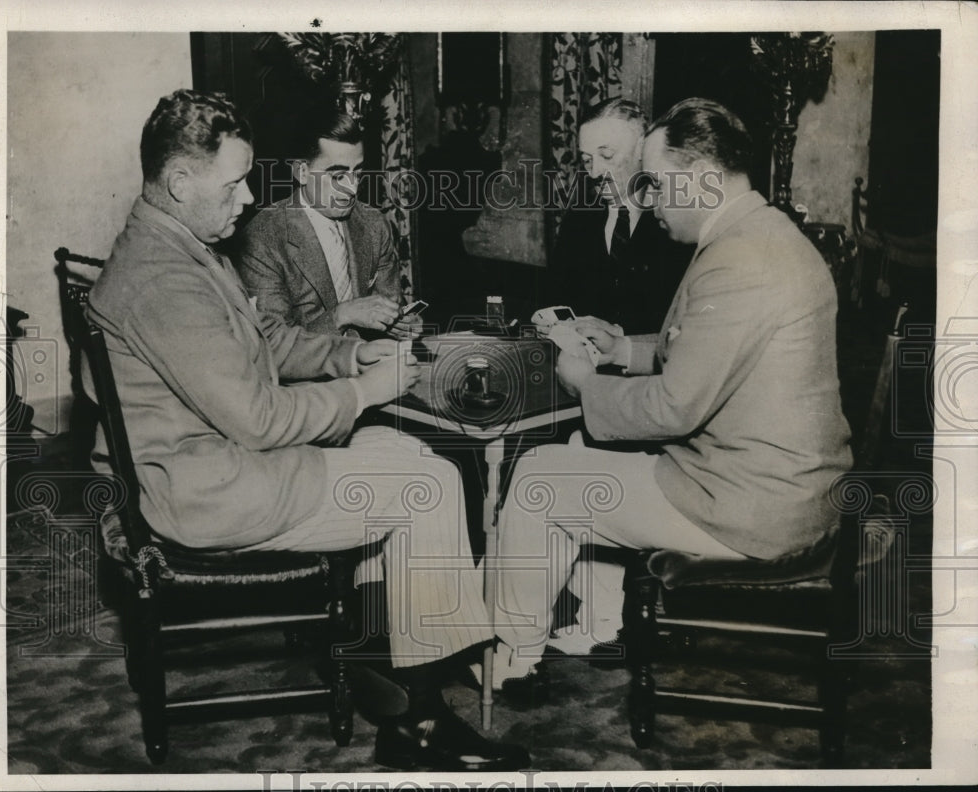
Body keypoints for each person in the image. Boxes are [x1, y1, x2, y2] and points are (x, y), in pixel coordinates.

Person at [85, 89, 527, 771]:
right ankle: (419, 723)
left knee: (404, 451)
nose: (244, 202)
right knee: (428, 487)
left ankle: (388, 671)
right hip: (211, 488)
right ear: (179, 182)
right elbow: (260, 418)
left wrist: (349, 355)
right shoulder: (163, 279)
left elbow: (260, 347)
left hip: (215, 462)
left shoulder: (175, 245)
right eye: (233, 185)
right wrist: (363, 390)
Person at [489, 98, 853, 687]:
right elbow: (703, 344)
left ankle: (512, 658)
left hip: (749, 506)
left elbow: (673, 407)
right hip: (781, 485)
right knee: (574, 462)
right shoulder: (761, 234)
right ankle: (594, 627)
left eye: (657, 183)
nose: (650, 197)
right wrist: (621, 351)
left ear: (705, 180)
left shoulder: (739, 260)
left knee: (536, 478)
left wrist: (586, 382)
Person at [235, 107, 419, 339]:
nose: (352, 188)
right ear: (302, 172)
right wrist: (341, 315)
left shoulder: (374, 224)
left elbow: (388, 309)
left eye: (358, 173)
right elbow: (273, 345)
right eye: (337, 176)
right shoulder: (263, 239)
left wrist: (400, 324)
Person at [546, 97, 693, 335]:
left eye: (607, 156)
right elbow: (556, 296)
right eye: (586, 160)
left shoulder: (677, 220)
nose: (594, 172)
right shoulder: (579, 218)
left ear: (643, 149)